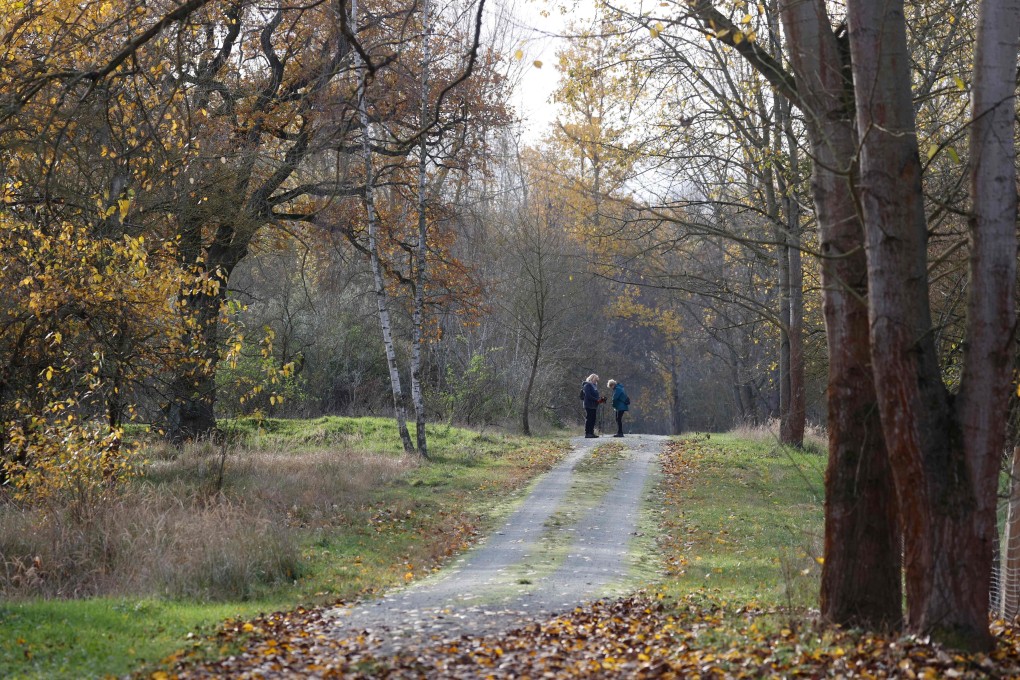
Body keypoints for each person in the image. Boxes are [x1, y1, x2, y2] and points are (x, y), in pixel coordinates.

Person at [580, 373, 605, 438]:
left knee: (593, 419)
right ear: (591, 378)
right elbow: (588, 396)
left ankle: (591, 432)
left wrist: (601, 399)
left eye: (596, 380)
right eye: (595, 380)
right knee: (589, 418)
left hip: (594, 405)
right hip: (588, 404)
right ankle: (587, 433)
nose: (596, 381)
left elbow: (595, 395)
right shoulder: (587, 385)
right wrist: (597, 400)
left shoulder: (594, 386)